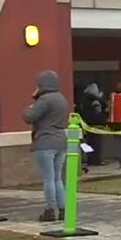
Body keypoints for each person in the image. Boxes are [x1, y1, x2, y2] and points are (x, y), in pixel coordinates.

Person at [24, 70, 69, 222]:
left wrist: (32, 104)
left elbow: (29, 117)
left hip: (45, 141)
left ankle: (50, 210)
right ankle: (63, 209)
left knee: (48, 179)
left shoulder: (44, 100)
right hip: (61, 140)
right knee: (57, 178)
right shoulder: (61, 98)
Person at [79, 83, 106, 167]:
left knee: (90, 143)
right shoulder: (96, 101)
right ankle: (97, 160)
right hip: (97, 124)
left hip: (87, 124)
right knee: (97, 144)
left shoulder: (84, 100)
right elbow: (98, 112)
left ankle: (90, 160)